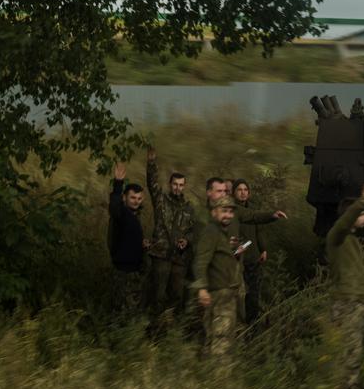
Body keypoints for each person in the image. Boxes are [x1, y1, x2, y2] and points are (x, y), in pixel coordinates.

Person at [192, 196, 286, 360]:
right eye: (224, 211)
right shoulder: (210, 232)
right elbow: (200, 261)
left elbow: (253, 216)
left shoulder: (225, 232)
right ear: (214, 212)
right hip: (218, 292)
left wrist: (236, 252)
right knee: (221, 340)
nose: (228, 215)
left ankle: (207, 376)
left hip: (228, 290)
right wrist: (201, 288)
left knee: (215, 337)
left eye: (230, 212)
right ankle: (220, 378)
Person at [325, 179, 364, 389]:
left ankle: (349, 388)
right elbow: (343, 223)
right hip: (346, 300)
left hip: (355, 298)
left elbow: (345, 269)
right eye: (363, 214)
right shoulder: (337, 236)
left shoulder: (351, 240)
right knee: (346, 348)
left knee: (353, 347)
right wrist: (362, 201)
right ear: (352, 216)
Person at [145, 147, 196, 315]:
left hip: (179, 258)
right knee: (157, 294)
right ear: (170, 184)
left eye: (181, 185)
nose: (177, 188)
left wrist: (186, 240)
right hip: (160, 254)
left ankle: (171, 327)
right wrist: (151, 163)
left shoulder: (189, 208)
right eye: (175, 184)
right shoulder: (161, 200)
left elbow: (192, 231)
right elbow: (152, 184)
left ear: (184, 186)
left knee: (177, 295)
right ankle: (155, 330)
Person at [107, 162, 149, 313]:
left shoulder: (136, 216)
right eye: (132, 198)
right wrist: (118, 183)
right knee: (121, 310)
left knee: (134, 309)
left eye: (139, 198)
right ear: (125, 198)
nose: (136, 201)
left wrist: (142, 243)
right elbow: (114, 206)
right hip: (123, 271)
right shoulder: (121, 214)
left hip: (136, 270)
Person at [233, 179, 269, 324]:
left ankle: (252, 325)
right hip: (237, 259)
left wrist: (263, 249)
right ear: (234, 192)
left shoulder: (253, 210)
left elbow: (259, 231)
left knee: (253, 294)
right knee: (239, 294)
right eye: (239, 190)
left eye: (245, 190)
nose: (243, 193)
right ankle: (239, 325)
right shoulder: (231, 211)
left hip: (253, 258)